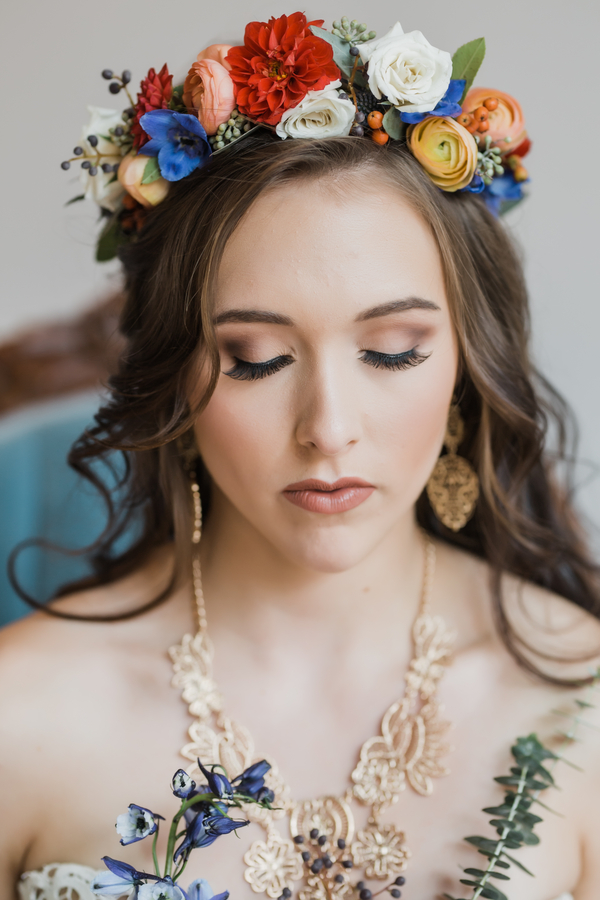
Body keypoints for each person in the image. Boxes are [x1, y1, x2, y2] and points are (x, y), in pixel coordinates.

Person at [1, 14, 598, 900]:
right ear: (175, 378)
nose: (328, 427)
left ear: (469, 367)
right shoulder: (25, 714)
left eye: (393, 350)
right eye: (255, 359)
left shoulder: (579, 699)